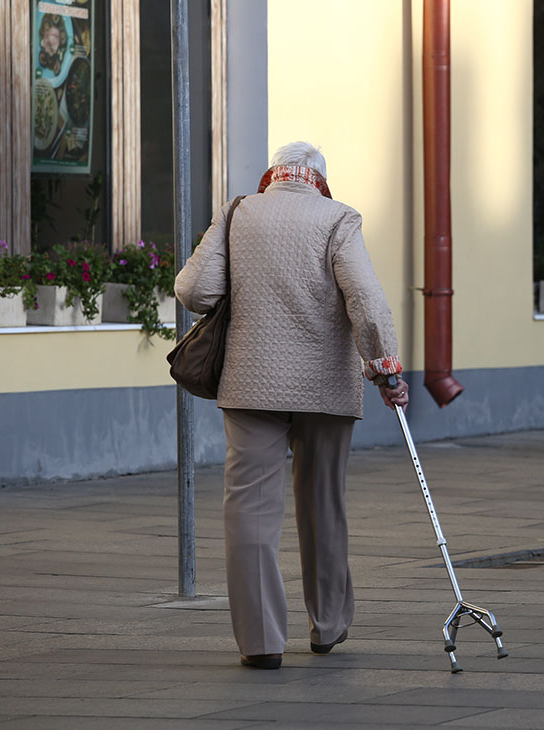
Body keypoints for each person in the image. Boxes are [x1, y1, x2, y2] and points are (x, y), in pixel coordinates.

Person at [175, 141, 410, 670]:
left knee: (250, 506)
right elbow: (366, 298)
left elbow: (194, 289)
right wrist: (386, 367)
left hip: (251, 379)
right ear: (318, 181)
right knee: (323, 500)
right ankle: (327, 626)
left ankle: (260, 642)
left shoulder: (237, 211)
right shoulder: (338, 219)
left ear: (273, 176)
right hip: (325, 386)